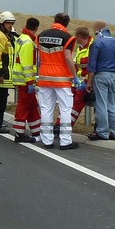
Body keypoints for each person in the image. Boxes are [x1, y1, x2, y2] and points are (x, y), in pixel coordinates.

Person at [35, 12, 79, 150]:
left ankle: (47, 141)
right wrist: (75, 75)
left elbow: (38, 56)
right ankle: (65, 141)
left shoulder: (41, 35)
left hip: (44, 77)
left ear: (54, 21)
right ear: (67, 24)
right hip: (62, 78)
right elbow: (67, 58)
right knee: (65, 109)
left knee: (46, 108)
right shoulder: (68, 38)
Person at [86, 20, 115, 140]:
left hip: (101, 75)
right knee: (112, 104)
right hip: (113, 76)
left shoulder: (97, 43)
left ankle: (102, 131)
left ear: (97, 31)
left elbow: (92, 65)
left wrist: (89, 82)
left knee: (101, 104)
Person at [11, 17, 41, 143]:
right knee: (24, 106)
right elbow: (27, 64)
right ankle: (19, 133)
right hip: (25, 80)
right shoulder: (28, 42)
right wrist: (30, 82)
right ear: (36, 28)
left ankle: (37, 131)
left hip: (21, 79)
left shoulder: (21, 38)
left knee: (32, 105)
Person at [69, 27, 94, 128]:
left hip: (85, 82)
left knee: (77, 105)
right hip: (77, 82)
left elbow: (93, 67)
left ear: (79, 36)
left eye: (76, 36)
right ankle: (59, 124)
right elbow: (76, 64)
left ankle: (67, 125)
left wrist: (87, 81)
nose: (75, 38)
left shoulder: (92, 48)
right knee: (68, 103)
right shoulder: (80, 48)